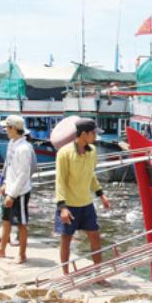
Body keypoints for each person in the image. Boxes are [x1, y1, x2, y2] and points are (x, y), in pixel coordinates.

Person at [55, 118, 111, 275]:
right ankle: (66, 274)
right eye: (94, 133)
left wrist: (101, 195)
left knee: (95, 236)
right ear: (84, 134)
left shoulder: (92, 151)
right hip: (69, 204)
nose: (95, 137)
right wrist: (62, 208)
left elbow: (91, 176)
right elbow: (60, 181)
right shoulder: (64, 153)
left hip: (86, 203)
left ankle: (98, 273)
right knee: (66, 239)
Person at [0, 115, 37, 262]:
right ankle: (1, 249)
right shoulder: (12, 143)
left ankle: (22, 254)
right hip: (10, 187)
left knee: (22, 224)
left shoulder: (24, 148)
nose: (5, 130)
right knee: (6, 220)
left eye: (7, 128)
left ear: (13, 129)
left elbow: (23, 175)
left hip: (20, 192)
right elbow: (9, 166)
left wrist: (13, 195)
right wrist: (4, 184)